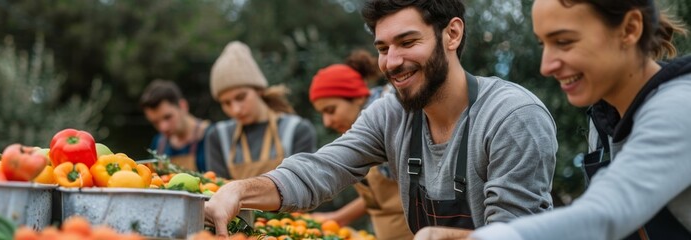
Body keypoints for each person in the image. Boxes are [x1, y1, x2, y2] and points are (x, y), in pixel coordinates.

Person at [205, 0, 558, 236]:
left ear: (452, 34)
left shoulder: (512, 117)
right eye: (383, 48)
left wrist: (442, 236)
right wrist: (239, 190)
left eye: (407, 42)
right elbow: (321, 170)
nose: (391, 62)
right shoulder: (391, 113)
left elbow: (514, 232)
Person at [416, 0, 691, 239]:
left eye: (564, 42)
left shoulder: (679, 107)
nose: (546, 66)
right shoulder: (605, 119)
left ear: (630, 29)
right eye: (543, 44)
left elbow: (605, 213)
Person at [308, 52, 414, 239]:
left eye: (331, 110)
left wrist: (337, 217)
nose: (326, 122)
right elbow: (379, 198)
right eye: (322, 114)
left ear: (356, 97)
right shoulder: (359, 132)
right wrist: (337, 218)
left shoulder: (390, 119)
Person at [204, 41, 317, 180]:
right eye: (226, 103)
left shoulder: (296, 130)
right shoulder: (218, 136)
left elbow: (304, 188)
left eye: (241, 97)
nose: (236, 109)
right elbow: (216, 191)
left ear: (259, 90)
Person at [140, 79, 211, 172]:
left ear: (183, 106)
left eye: (167, 117)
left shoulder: (211, 136)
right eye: (155, 122)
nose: (163, 127)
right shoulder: (158, 143)